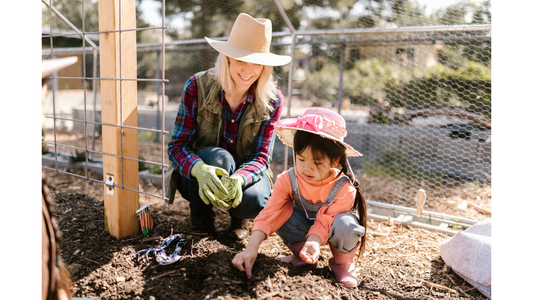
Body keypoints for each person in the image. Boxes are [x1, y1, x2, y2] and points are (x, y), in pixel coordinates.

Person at [166, 13, 291, 240]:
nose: (248, 70)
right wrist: (200, 170)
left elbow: (262, 157)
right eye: (241, 59)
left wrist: (240, 179)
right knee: (219, 159)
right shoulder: (197, 86)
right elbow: (176, 146)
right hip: (195, 178)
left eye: (257, 63)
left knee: (254, 200)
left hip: (243, 174)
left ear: (265, 67)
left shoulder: (273, 100)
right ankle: (201, 219)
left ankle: (239, 218)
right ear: (228, 59)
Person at [232, 107, 368, 288]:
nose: (307, 168)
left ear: (335, 161)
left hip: (329, 229)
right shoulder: (288, 180)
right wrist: (251, 249)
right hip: (302, 231)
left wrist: (315, 240)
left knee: (347, 224)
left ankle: (342, 264)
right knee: (281, 213)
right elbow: (270, 212)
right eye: (301, 158)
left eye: (317, 162)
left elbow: (326, 219)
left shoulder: (345, 189)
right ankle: (303, 256)